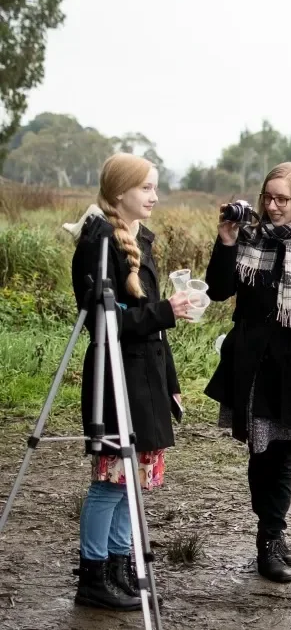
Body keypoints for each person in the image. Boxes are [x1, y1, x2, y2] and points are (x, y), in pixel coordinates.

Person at [205, 162, 291, 583]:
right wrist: (226, 241)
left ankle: (272, 535)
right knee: (262, 453)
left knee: (284, 458)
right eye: (268, 197)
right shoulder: (249, 238)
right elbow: (218, 290)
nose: (272, 206)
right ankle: (269, 538)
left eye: (282, 198)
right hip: (253, 367)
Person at [64, 153, 191, 611]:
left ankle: (120, 568)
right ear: (120, 192)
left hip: (147, 376)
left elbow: (150, 322)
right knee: (111, 482)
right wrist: (165, 311)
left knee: (131, 483)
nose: (154, 196)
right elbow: (102, 321)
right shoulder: (97, 242)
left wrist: (170, 379)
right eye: (145, 188)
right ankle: (93, 577)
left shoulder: (141, 238)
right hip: (115, 375)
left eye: (155, 187)